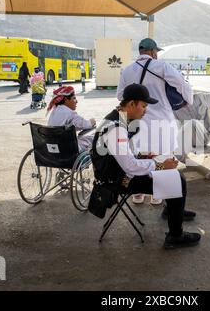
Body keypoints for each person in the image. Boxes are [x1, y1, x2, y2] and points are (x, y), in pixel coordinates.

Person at [91, 83, 201, 249]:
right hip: (117, 182)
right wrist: (159, 165)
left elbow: (123, 156)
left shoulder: (117, 119)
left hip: (117, 174)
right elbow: (130, 166)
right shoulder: (116, 128)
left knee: (175, 178)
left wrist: (146, 157)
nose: (145, 110)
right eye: (143, 105)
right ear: (131, 104)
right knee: (176, 180)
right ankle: (175, 235)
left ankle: (173, 210)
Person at [117, 38, 193, 208]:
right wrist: (187, 100)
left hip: (137, 122)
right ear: (152, 52)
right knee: (162, 156)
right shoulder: (162, 66)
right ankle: (157, 196)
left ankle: (137, 194)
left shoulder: (127, 71)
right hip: (162, 121)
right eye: (156, 52)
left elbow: (120, 95)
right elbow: (182, 84)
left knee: (140, 155)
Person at [47, 86, 96, 152]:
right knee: (95, 138)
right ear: (66, 100)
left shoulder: (55, 110)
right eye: (74, 98)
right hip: (68, 149)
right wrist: (93, 120)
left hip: (53, 148)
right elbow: (87, 125)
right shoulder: (69, 113)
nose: (77, 101)